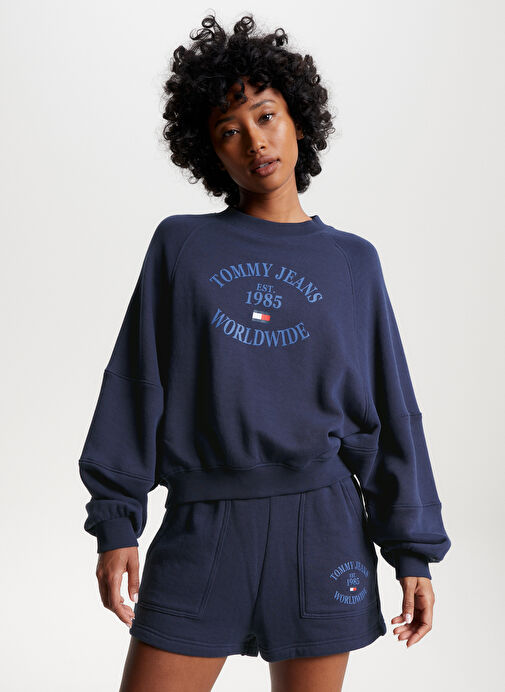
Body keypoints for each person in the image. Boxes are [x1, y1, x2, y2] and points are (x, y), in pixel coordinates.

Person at [78, 13, 452, 692]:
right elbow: (135, 384)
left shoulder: (353, 263)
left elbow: (389, 411)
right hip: (202, 525)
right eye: (229, 129)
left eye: (266, 115)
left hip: (322, 528)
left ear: (298, 121)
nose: (254, 141)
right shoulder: (181, 246)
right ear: (209, 153)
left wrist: (412, 551)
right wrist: (115, 522)